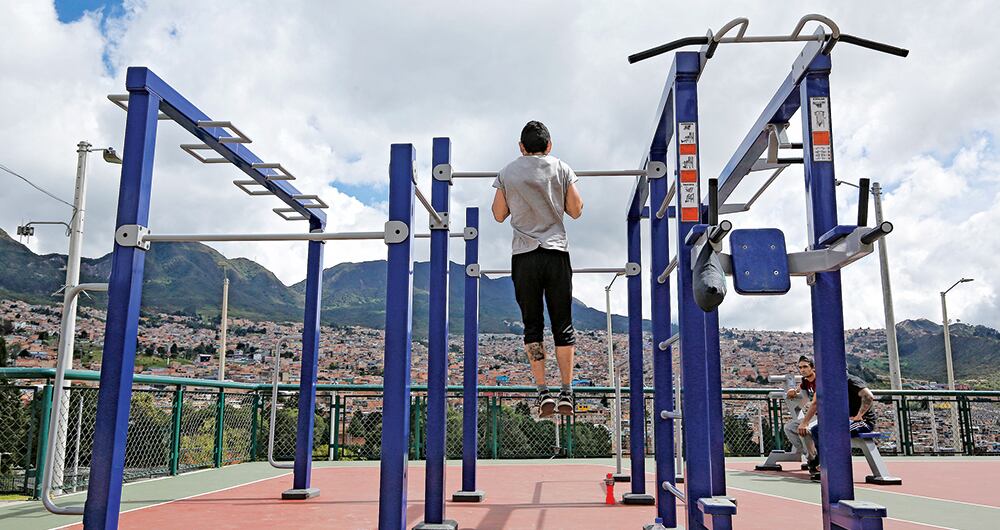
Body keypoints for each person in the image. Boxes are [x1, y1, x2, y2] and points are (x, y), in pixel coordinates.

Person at [491, 120, 584, 417]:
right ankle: (567, 391)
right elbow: (576, 210)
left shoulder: (507, 171)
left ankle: (542, 390)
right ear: (549, 145)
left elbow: (498, 214)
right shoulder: (561, 167)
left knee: (533, 325)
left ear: (521, 147)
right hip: (555, 252)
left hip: (525, 255)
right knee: (562, 324)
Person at [799, 368, 877, 480]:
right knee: (817, 430)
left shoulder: (850, 380)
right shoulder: (833, 383)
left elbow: (868, 396)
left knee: (836, 432)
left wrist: (859, 415)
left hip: (863, 422)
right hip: (845, 420)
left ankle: (832, 466)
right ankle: (821, 461)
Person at [784, 356, 818, 473]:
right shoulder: (805, 381)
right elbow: (800, 389)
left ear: (813, 368)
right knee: (789, 428)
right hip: (816, 416)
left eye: (805, 367)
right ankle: (811, 457)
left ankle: (815, 460)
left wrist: (804, 422)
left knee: (805, 430)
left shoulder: (819, 381)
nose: (802, 370)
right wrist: (793, 390)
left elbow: (815, 403)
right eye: (800, 367)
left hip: (826, 416)